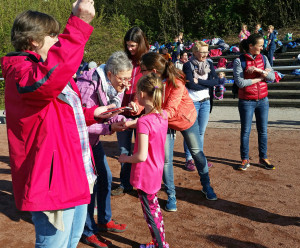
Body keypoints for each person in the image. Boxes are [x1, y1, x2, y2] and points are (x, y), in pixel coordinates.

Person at [0, 1, 119, 247]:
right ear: (33, 40)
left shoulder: (45, 72)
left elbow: (62, 114)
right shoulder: (22, 71)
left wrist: (94, 113)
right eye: (53, 35)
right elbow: (46, 82)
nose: (58, 40)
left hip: (72, 173)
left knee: (71, 241)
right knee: (54, 244)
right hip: (51, 180)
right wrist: (80, 23)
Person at [132, 52, 217, 212]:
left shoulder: (176, 82)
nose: (141, 73)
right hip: (164, 121)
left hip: (184, 119)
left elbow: (171, 110)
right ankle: (171, 196)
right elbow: (143, 98)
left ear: (153, 71)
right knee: (165, 160)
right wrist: (137, 106)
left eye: (143, 70)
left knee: (197, 153)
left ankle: (207, 185)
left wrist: (151, 116)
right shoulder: (148, 81)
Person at [77, 51, 132, 247]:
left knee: (105, 178)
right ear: (110, 74)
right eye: (123, 78)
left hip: (94, 141)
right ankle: (88, 230)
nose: (127, 83)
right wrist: (109, 128)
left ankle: (103, 220)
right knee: (90, 186)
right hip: (80, 143)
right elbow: (79, 124)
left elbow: (109, 112)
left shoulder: (111, 87)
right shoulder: (87, 86)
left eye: (129, 78)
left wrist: (122, 117)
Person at [119, 73, 169, 248]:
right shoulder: (163, 115)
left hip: (145, 174)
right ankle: (159, 242)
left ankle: (159, 245)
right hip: (155, 171)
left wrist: (125, 158)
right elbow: (145, 122)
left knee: (150, 214)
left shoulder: (144, 122)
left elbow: (141, 156)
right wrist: (131, 123)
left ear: (140, 94)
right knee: (154, 210)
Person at [112, 26, 150, 196]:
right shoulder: (123, 60)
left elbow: (157, 85)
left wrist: (141, 102)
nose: (129, 49)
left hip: (142, 114)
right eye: (127, 45)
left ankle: (142, 184)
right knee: (124, 150)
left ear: (141, 44)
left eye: (133, 45)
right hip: (123, 112)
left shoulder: (149, 61)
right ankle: (125, 184)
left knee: (142, 150)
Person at [233, 33, 276, 171]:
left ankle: (263, 157)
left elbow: (272, 77)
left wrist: (258, 70)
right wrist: (260, 77)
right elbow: (240, 83)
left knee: (263, 131)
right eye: (260, 46)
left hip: (263, 100)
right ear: (251, 46)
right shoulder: (239, 61)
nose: (262, 48)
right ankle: (245, 159)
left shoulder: (263, 58)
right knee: (246, 131)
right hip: (246, 101)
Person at [182, 41, 224, 172]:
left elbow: (216, 81)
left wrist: (199, 81)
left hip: (206, 101)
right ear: (195, 52)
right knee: (190, 132)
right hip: (193, 102)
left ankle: (199, 158)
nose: (205, 54)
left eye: (207, 51)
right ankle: (189, 159)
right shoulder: (188, 65)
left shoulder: (209, 64)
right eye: (202, 52)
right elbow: (191, 86)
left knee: (201, 132)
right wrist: (207, 83)